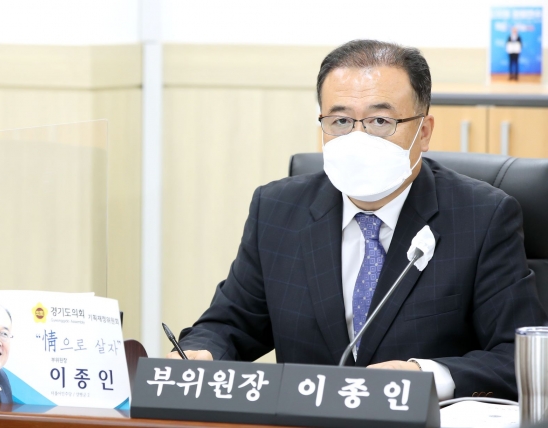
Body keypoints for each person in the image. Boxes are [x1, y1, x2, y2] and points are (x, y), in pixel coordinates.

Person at [168, 40, 547, 401]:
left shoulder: (482, 217)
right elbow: (230, 325)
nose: (358, 138)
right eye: (340, 121)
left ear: (424, 131)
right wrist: (202, 353)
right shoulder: (278, 209)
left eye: (380, 120)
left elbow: (521, 355)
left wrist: (424, 375)